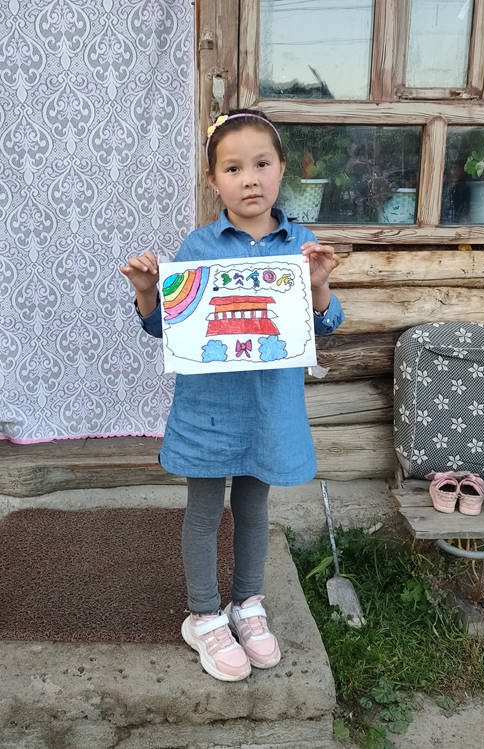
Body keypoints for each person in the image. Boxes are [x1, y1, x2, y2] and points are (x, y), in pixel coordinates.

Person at [120, 108, 344, 682]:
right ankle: (203, 615)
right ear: (213, 180)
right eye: (233, 168)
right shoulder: (198, 246)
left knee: (252, 508)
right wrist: (148, 293)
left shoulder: (301, 246)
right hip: (209, 409)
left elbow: (327, 323)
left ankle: (247, 603)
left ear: (282, 170)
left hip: (270, 408)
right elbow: (167, 329)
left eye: (261, 164)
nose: (250, 180)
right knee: (203, 512)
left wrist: (318, 286)